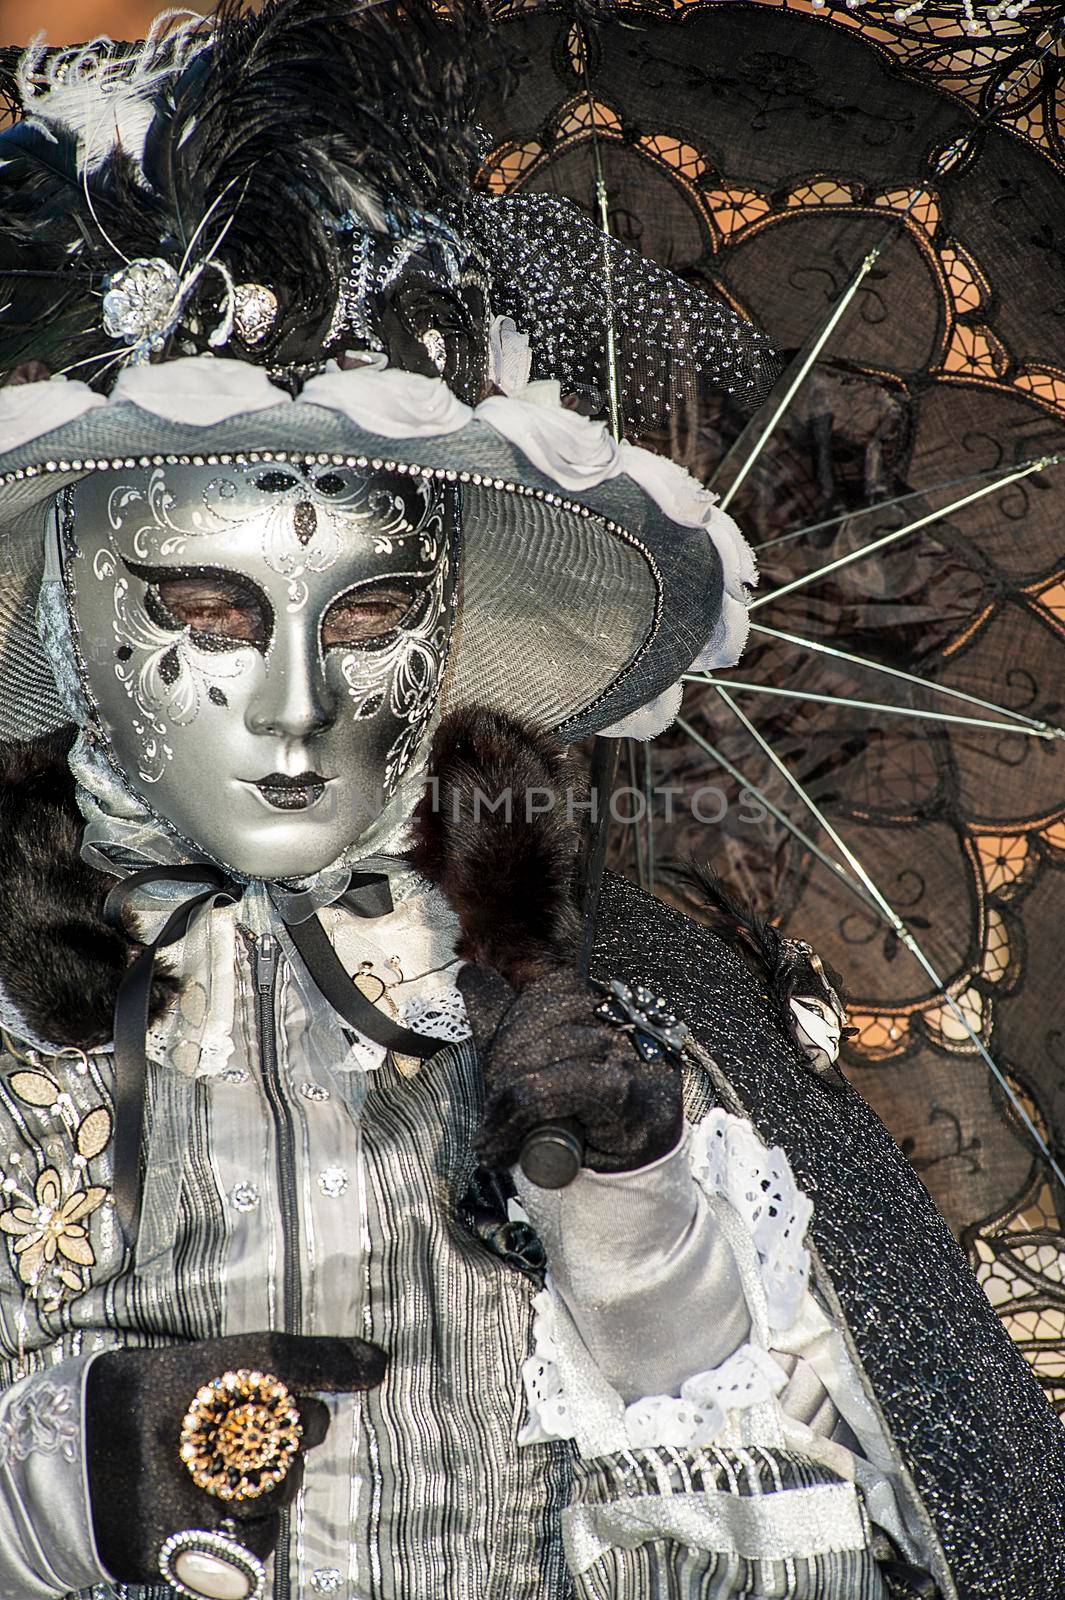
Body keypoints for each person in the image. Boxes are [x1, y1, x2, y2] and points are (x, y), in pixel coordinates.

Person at [0, 4, 1061, 1599]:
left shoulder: (623, 998)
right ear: (69, 623)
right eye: (211, 613)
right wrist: (53, 1495)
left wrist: (636, 1230)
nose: (293, 705)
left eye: (362, 619)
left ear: (439, 639)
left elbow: (835, 1534)